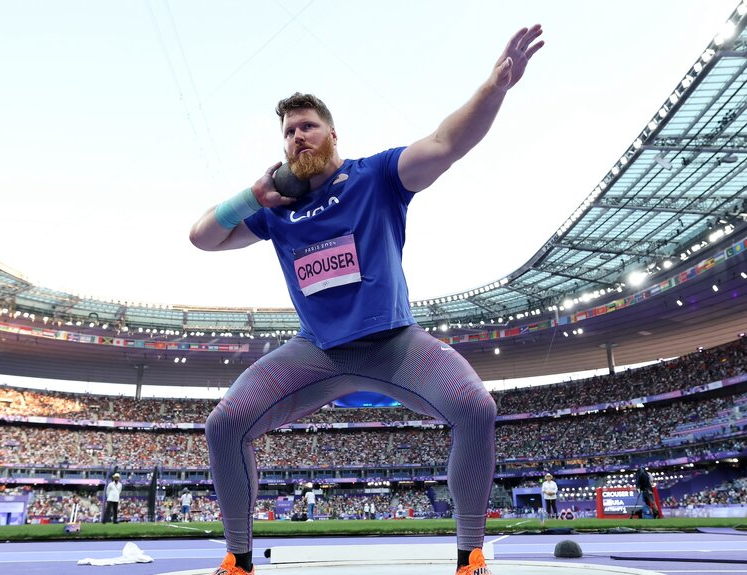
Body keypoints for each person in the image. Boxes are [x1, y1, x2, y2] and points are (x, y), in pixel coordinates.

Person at [190, 24, 544, 575]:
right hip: (317, 353)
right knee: (224, 424)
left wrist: (495, 86)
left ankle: (469, 556)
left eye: (308, 126)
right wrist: (250, 197)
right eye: (287, 132)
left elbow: (447, 143)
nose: (297, 137)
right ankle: (237, 560)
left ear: (333, 134)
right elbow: (203, 237)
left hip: (394, 346)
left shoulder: (374, 176)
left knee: (477, 408)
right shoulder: (274, 209)